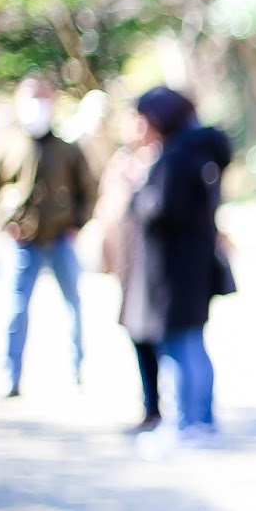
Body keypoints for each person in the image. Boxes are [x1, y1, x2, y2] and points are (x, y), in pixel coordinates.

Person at [123, 86, 232, 444]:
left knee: (179, 347)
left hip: (172, 271)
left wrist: (138, 191)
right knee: (192, 343)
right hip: (192, 265)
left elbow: (162, 209)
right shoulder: (199, 150)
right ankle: (201, 421)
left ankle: (187, 424)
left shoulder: (176, 157)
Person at [0, 76, 97, 398]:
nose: (37, 106)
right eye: (31, 98)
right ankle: (10, 377)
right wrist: (4, 222)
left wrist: (78, 224)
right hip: (23, 242)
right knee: (15, 310)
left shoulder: (67, 148)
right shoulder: (5, 144)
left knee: (73, 305)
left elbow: (89, 189)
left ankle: (76, 372)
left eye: (43, 98)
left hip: (60, 240)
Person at [92, 105, 163, 432]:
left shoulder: (160, 159)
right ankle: (151, 406)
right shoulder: (119, 162)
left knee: (161, 338)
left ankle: (170, 410)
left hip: (154, 266)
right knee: (138, 336)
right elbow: (105, 210)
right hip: (126, 266)